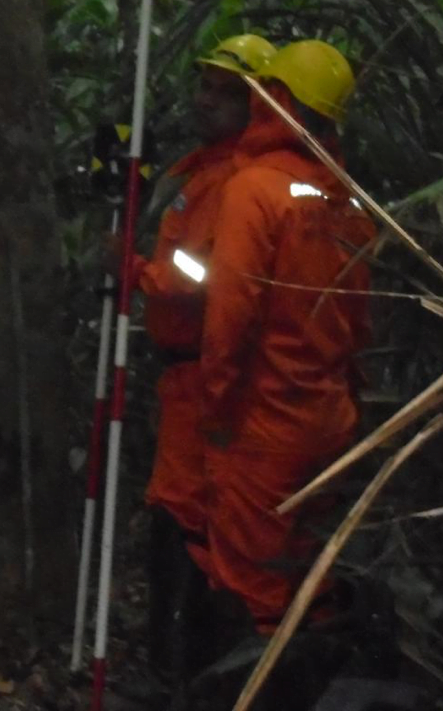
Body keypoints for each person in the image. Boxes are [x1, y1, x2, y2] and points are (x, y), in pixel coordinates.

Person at [194, 40, 375, 632]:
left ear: (278, 99)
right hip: (330, 423)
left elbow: (230, 317)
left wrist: (217, 409)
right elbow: (362, 319)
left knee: (253, 590)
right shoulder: (346, 199)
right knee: (311, 577)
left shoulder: (257, 191)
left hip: (265, 427)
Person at [119, 34, 276, 678]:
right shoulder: (203, 168)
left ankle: (186, 671)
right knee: (177, 512)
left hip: (205, 374)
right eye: (205, 86)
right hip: (181, 373)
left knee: (188, 518)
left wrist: (135, 270)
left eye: (225, 91)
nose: (206, 100)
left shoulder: (240, 181)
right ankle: (177, 665)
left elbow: (204, 275)